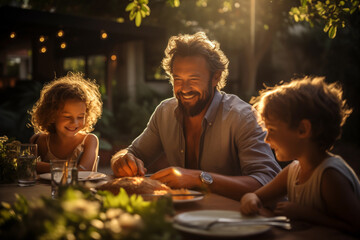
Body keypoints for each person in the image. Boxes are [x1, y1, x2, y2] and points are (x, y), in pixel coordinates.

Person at [111, 32, 281, 200]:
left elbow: (267, 181)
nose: (184, 89)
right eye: (178, 79)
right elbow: (134, 153)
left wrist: (199, 178)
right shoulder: (165, 112)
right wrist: (122, 160)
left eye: (193, 79)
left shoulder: (241, 117)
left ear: (216, 77)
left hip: (236, 219)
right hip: (185, 215)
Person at [240, 77, 360, 234]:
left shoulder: (329, 176)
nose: (267, 139)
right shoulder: (293, 171)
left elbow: (355, 228)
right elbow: (254, 196)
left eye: (272, 130)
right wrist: (251, 200)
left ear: (303, 129)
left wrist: (307, 215)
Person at [29, 72, 102, 173]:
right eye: (67, 116)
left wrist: (42, 166)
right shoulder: (41, 140)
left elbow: (83, 172)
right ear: (52, 115)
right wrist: (72, 167)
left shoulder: (89, 140)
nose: (74, 122)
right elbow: (28, 168)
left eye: (81, 117)